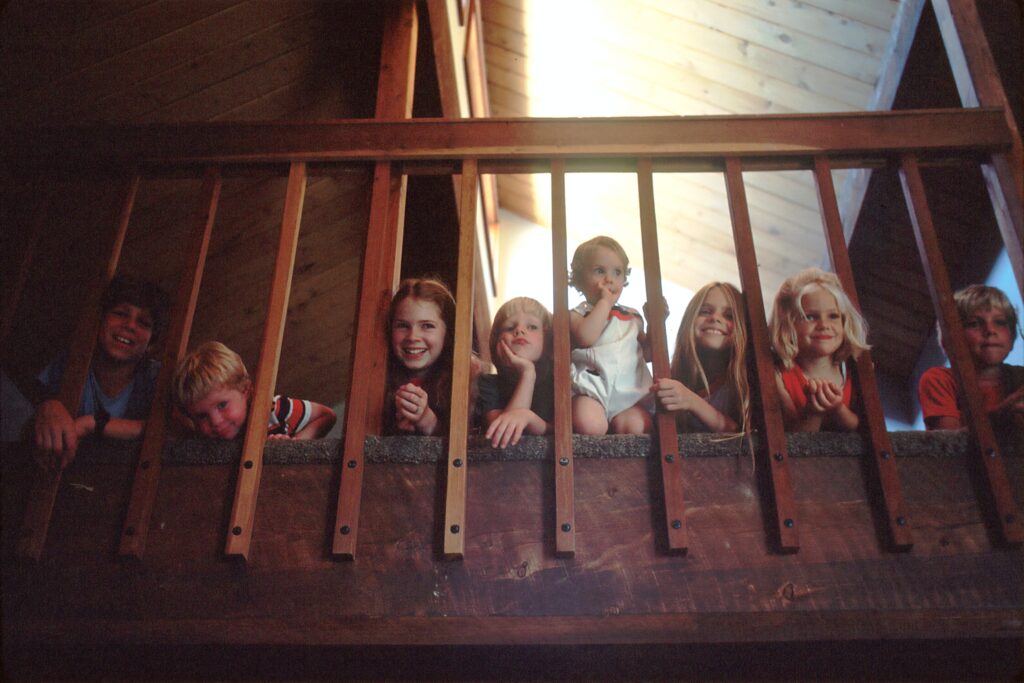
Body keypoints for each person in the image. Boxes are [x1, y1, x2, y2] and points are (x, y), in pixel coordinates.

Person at [34, 276, 168, 469]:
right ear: (100, 320)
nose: (130, 326)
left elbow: (166, 430)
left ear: (152, 343)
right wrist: (48, 406)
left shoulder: (156, 380)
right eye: (121, 313)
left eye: (144, 323)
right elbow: (32, 414)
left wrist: (92, 424)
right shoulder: (71, 364)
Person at [568, 235, 653, 435]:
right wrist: (605, 303)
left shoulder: (632, 316)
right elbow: (586, 337)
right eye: (599, 271)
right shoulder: (577, 315)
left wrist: (656, 323)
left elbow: (648, 354)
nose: (609, 279)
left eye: (617, 272)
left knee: (636, 427)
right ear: (579, 280)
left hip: (629, 395)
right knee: (590, 425)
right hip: (591, 390)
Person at [769, 268, 869, 432]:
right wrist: (814, 413)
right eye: (810, 317)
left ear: (845, 323)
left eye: (833, 316)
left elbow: (864, 430)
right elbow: (794, 442)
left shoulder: (854, 371)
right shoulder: (779, 376)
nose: (824, 325)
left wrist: (838, 409)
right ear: (788, 325)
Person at [172, 341, 335, 440]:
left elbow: (327, 415)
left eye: (222, 405)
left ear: (246, 390)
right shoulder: (204, 438)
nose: (215, 421)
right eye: (201, 416)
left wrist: (295, 445)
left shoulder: (275, 410)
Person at [919, 284, 1024, 432]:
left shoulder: (1019, 377)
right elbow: (948, 444)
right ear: (950, 340)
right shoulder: (939, 379)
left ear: (1012, 336)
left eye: (1000, 322)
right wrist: (1002, 414)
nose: (990, 330)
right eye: (974, 324)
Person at [652, 282, 749, 433]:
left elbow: (742, 435)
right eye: (705, 311)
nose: (715, 318)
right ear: (689, 320)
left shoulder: (743, 381)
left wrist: (691, 401)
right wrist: (654, 325)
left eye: (729, 316)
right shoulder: (674, 375)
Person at [478, 297, 554, 448]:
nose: (519, 330)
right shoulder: (487, 383)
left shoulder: (556, 383)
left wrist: (529, 418)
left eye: (532, 326)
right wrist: (527, 373)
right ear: (496, 341)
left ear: (548, 341)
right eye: (509, 327)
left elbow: (562, 431)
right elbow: (503, 433)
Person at [385, 278, 457, 436]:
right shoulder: (378, 383)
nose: (413, 337)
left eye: (427, 326)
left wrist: (428, 421)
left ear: (448, 333)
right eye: (403, 325)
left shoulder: (464, 384)